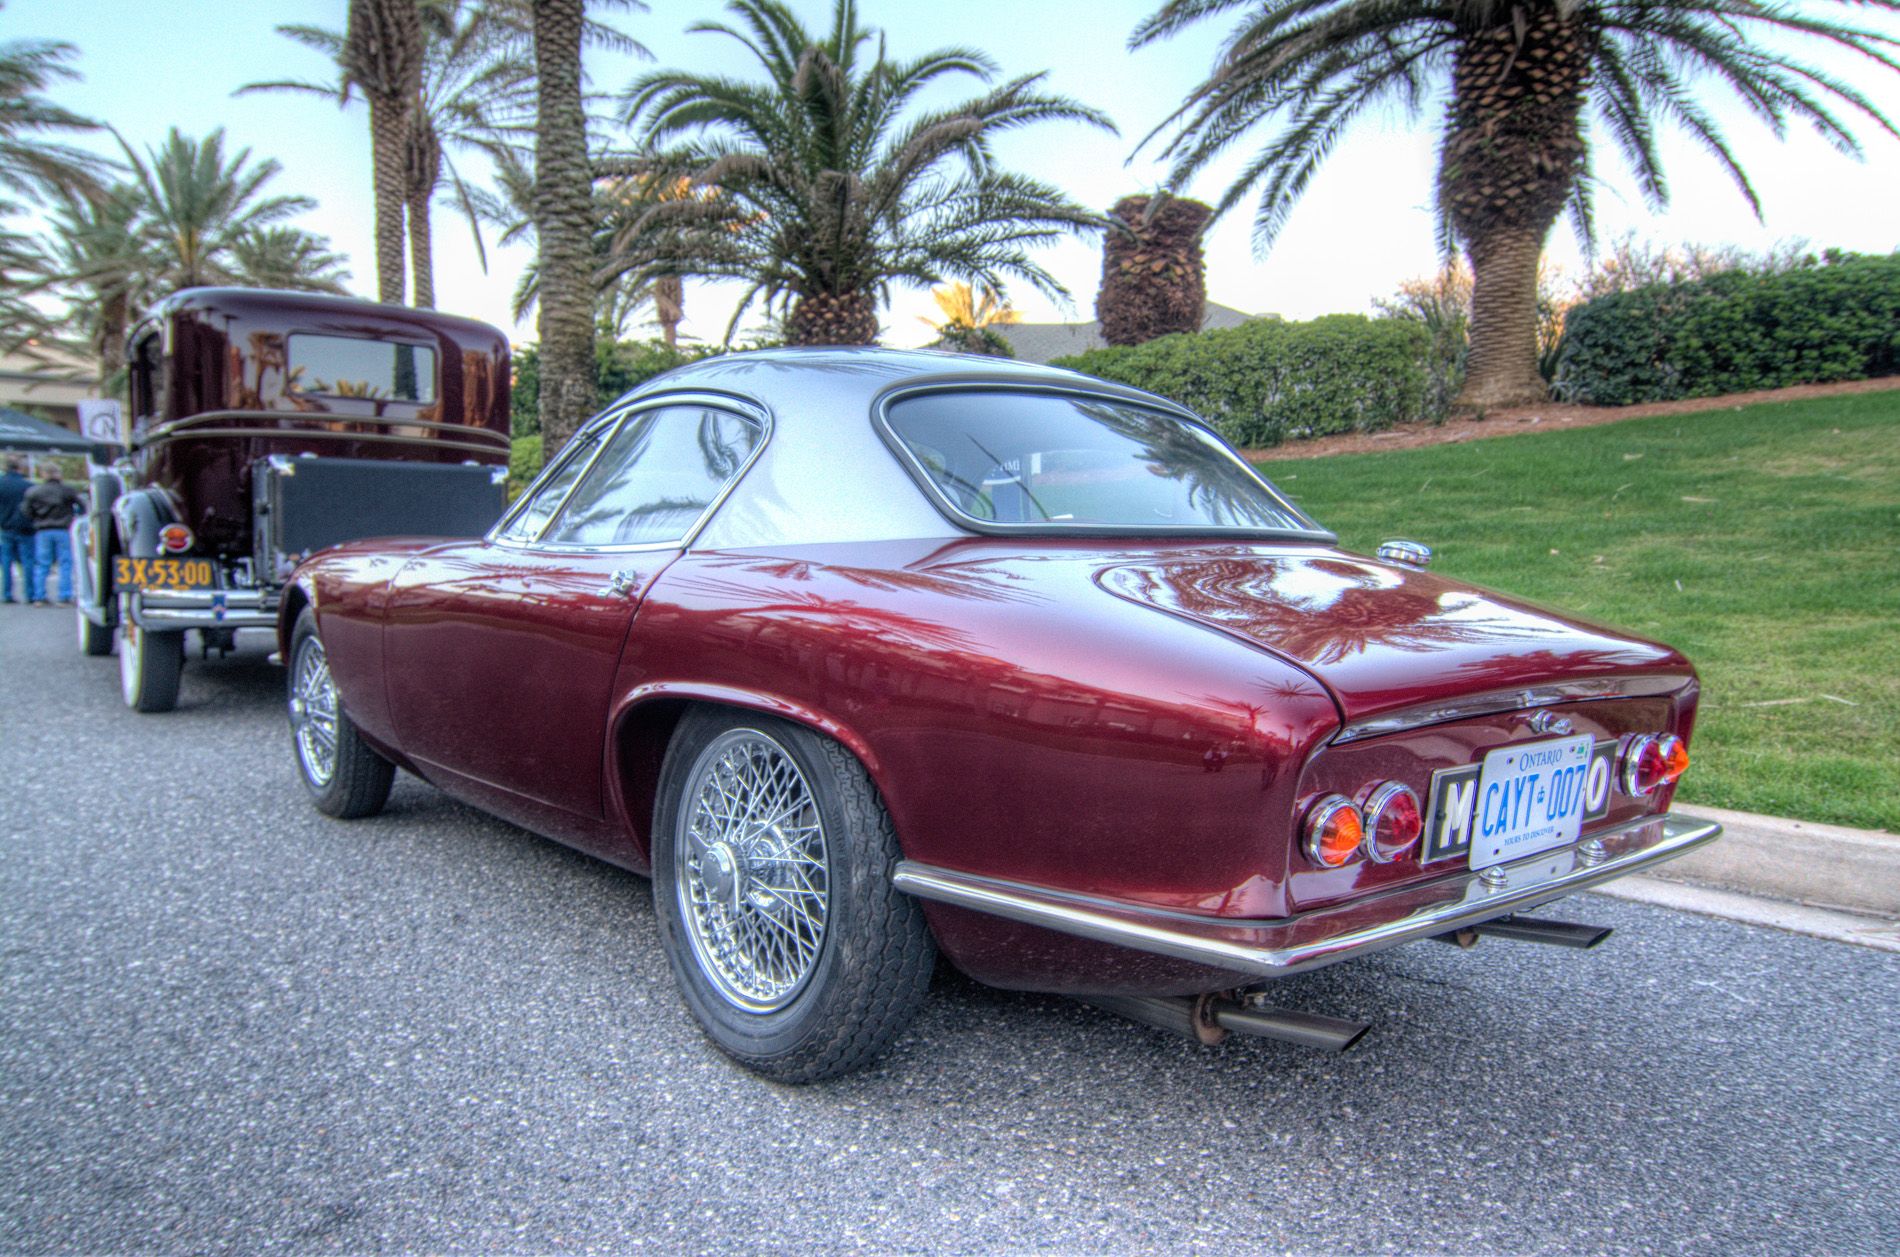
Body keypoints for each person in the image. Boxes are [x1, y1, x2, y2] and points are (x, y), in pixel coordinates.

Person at [23, 462, 85, 606]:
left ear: (43, 474)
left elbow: (26, 511)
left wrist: (36, 519)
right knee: (65, 563)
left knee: (42, 564)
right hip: (63, 529)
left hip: (43, 530)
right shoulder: (67, 490)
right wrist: (74, 517)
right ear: (58, 474)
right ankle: (64, 596)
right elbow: (82, 507)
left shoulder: (34, 491)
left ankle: (39, 596)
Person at [0, 456, 32, 603]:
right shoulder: (28, 486)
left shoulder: (1, 484)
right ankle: (30, 594)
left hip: (6, 528)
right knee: (27, 561)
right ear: (20, 468)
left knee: (6, 563)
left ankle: (6, 594)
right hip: (25, 528)